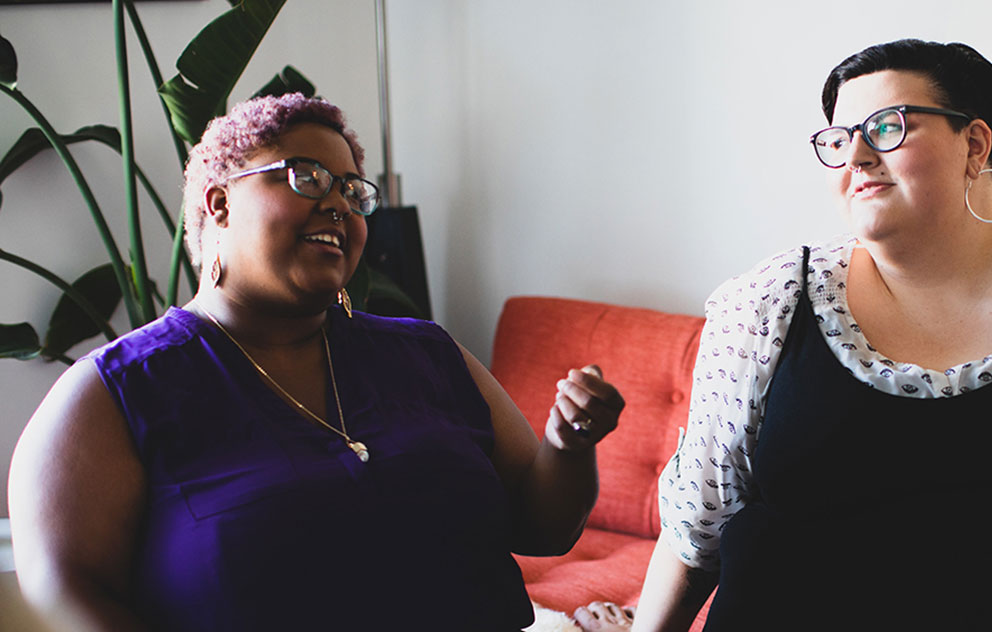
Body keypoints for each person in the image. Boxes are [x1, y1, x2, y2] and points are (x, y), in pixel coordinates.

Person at [576, 39, 992, 631]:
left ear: (974, 144)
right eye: (838, 139)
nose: (857, 155)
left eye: (887, 127)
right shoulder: (766, 303)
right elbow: (698, 528)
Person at [8, 93, 625, 631]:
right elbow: (63, 589)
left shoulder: (429, 355)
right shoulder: (114, 392)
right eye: (305, 177)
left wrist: (568, 444)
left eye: (353, 191)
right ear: (219, 203)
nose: (339, 204)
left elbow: (545, 530)